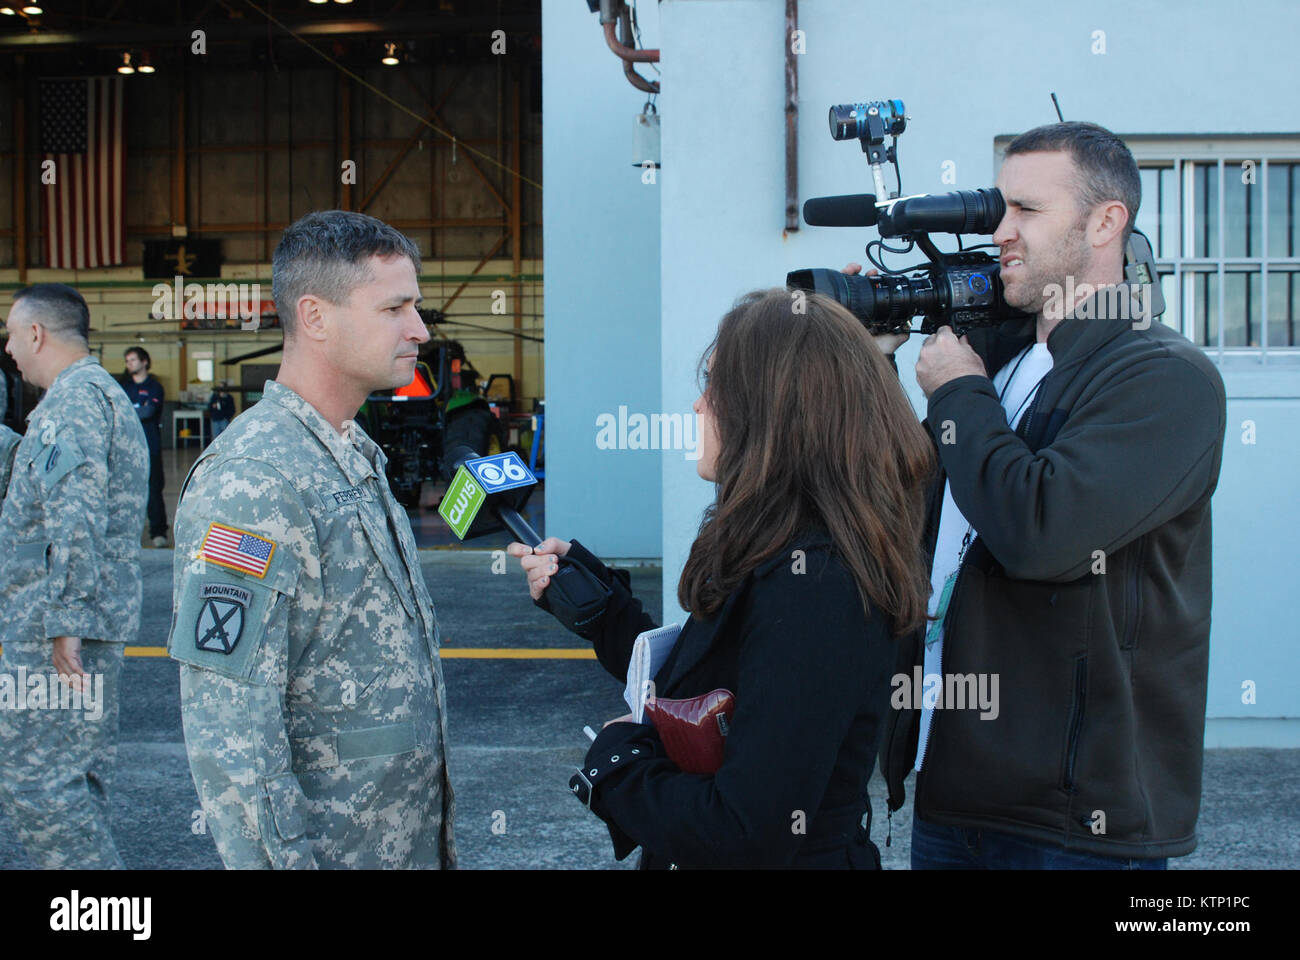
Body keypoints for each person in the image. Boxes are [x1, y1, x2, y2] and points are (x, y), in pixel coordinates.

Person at [862, 121, 1227, 868]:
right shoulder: (1001, 362)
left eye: (1026, 211)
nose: (1000, 232)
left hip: (1073, 823)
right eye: (999, 210)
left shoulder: (1167, 378)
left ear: (1105, 222)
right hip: (950, 791)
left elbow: (1041, 534)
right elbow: (918, 514)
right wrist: (874, 371)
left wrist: (958, 392)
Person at [508, 289, 935, 869]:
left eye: (715, 387)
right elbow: (713, 691)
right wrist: (604, 611)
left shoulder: (817, 584)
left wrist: (614, 768)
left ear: (773, 412)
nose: (699, 407)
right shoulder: (785, 548)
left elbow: (746, 829)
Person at [167, 210, 455, 869]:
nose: (419, 328)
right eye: (395, 308)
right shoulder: (255, 484)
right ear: (317, 317)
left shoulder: (351, 451)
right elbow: (231, 733)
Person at [0, 283, 148, 869]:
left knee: (42, 788)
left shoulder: (72, 404)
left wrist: (65, 622)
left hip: (53, 636)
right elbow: (41, 484)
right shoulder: (91, 397)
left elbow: (76, 512)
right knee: (70, 780)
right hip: (70, 624)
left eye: (12, 336)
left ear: (36, 333)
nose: (9, 350)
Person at [121, 346, 168, 546]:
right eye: (127, 360)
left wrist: (130, 410)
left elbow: (148, 411)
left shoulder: (155, 387)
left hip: (150, 448)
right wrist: (137, 409)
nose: (129, 363)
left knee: (154, 491)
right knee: (126, 492)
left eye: (132, 359)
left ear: (144, 362)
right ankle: (128, 533)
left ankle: (158, 532)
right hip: (127, 450)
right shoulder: (124, 388)